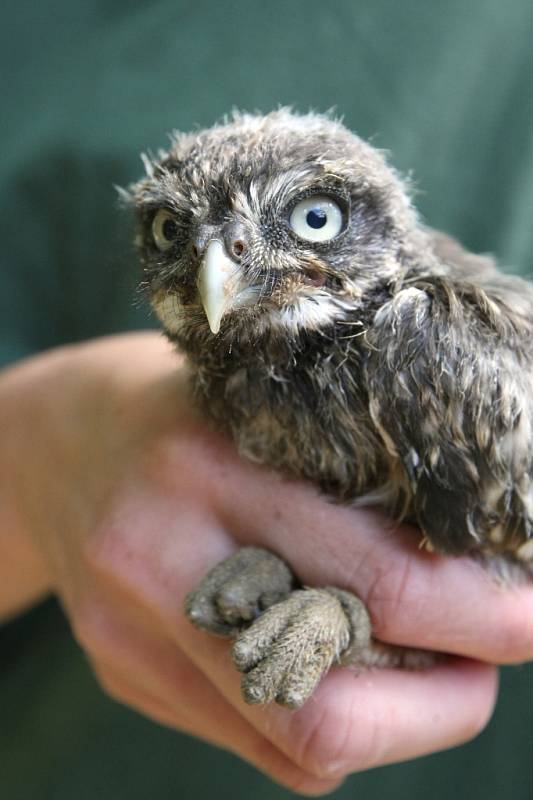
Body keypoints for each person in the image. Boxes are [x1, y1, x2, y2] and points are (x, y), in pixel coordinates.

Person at [2, 2, 533, 798]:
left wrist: (347, 619)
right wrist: (38, 457)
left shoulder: (423, 338)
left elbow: (492, 577)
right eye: (173, 237)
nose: (223, 264)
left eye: (311, 220)